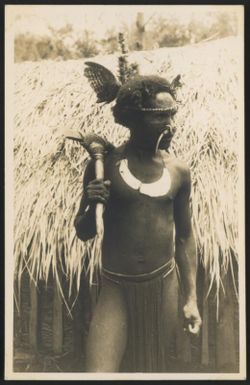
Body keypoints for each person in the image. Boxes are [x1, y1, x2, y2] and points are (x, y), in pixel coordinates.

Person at [74, 73, 202, 372]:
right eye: (160, 117)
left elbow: (184, 237)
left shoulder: (179, 172)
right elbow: (83, 231)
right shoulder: (104, 165)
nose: (171, 124)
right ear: (133, 119)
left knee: (152, 370)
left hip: (163, 285)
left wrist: (191, 299)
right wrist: (93, 201)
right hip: (115, 288)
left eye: (173, 114)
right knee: (99, 373)